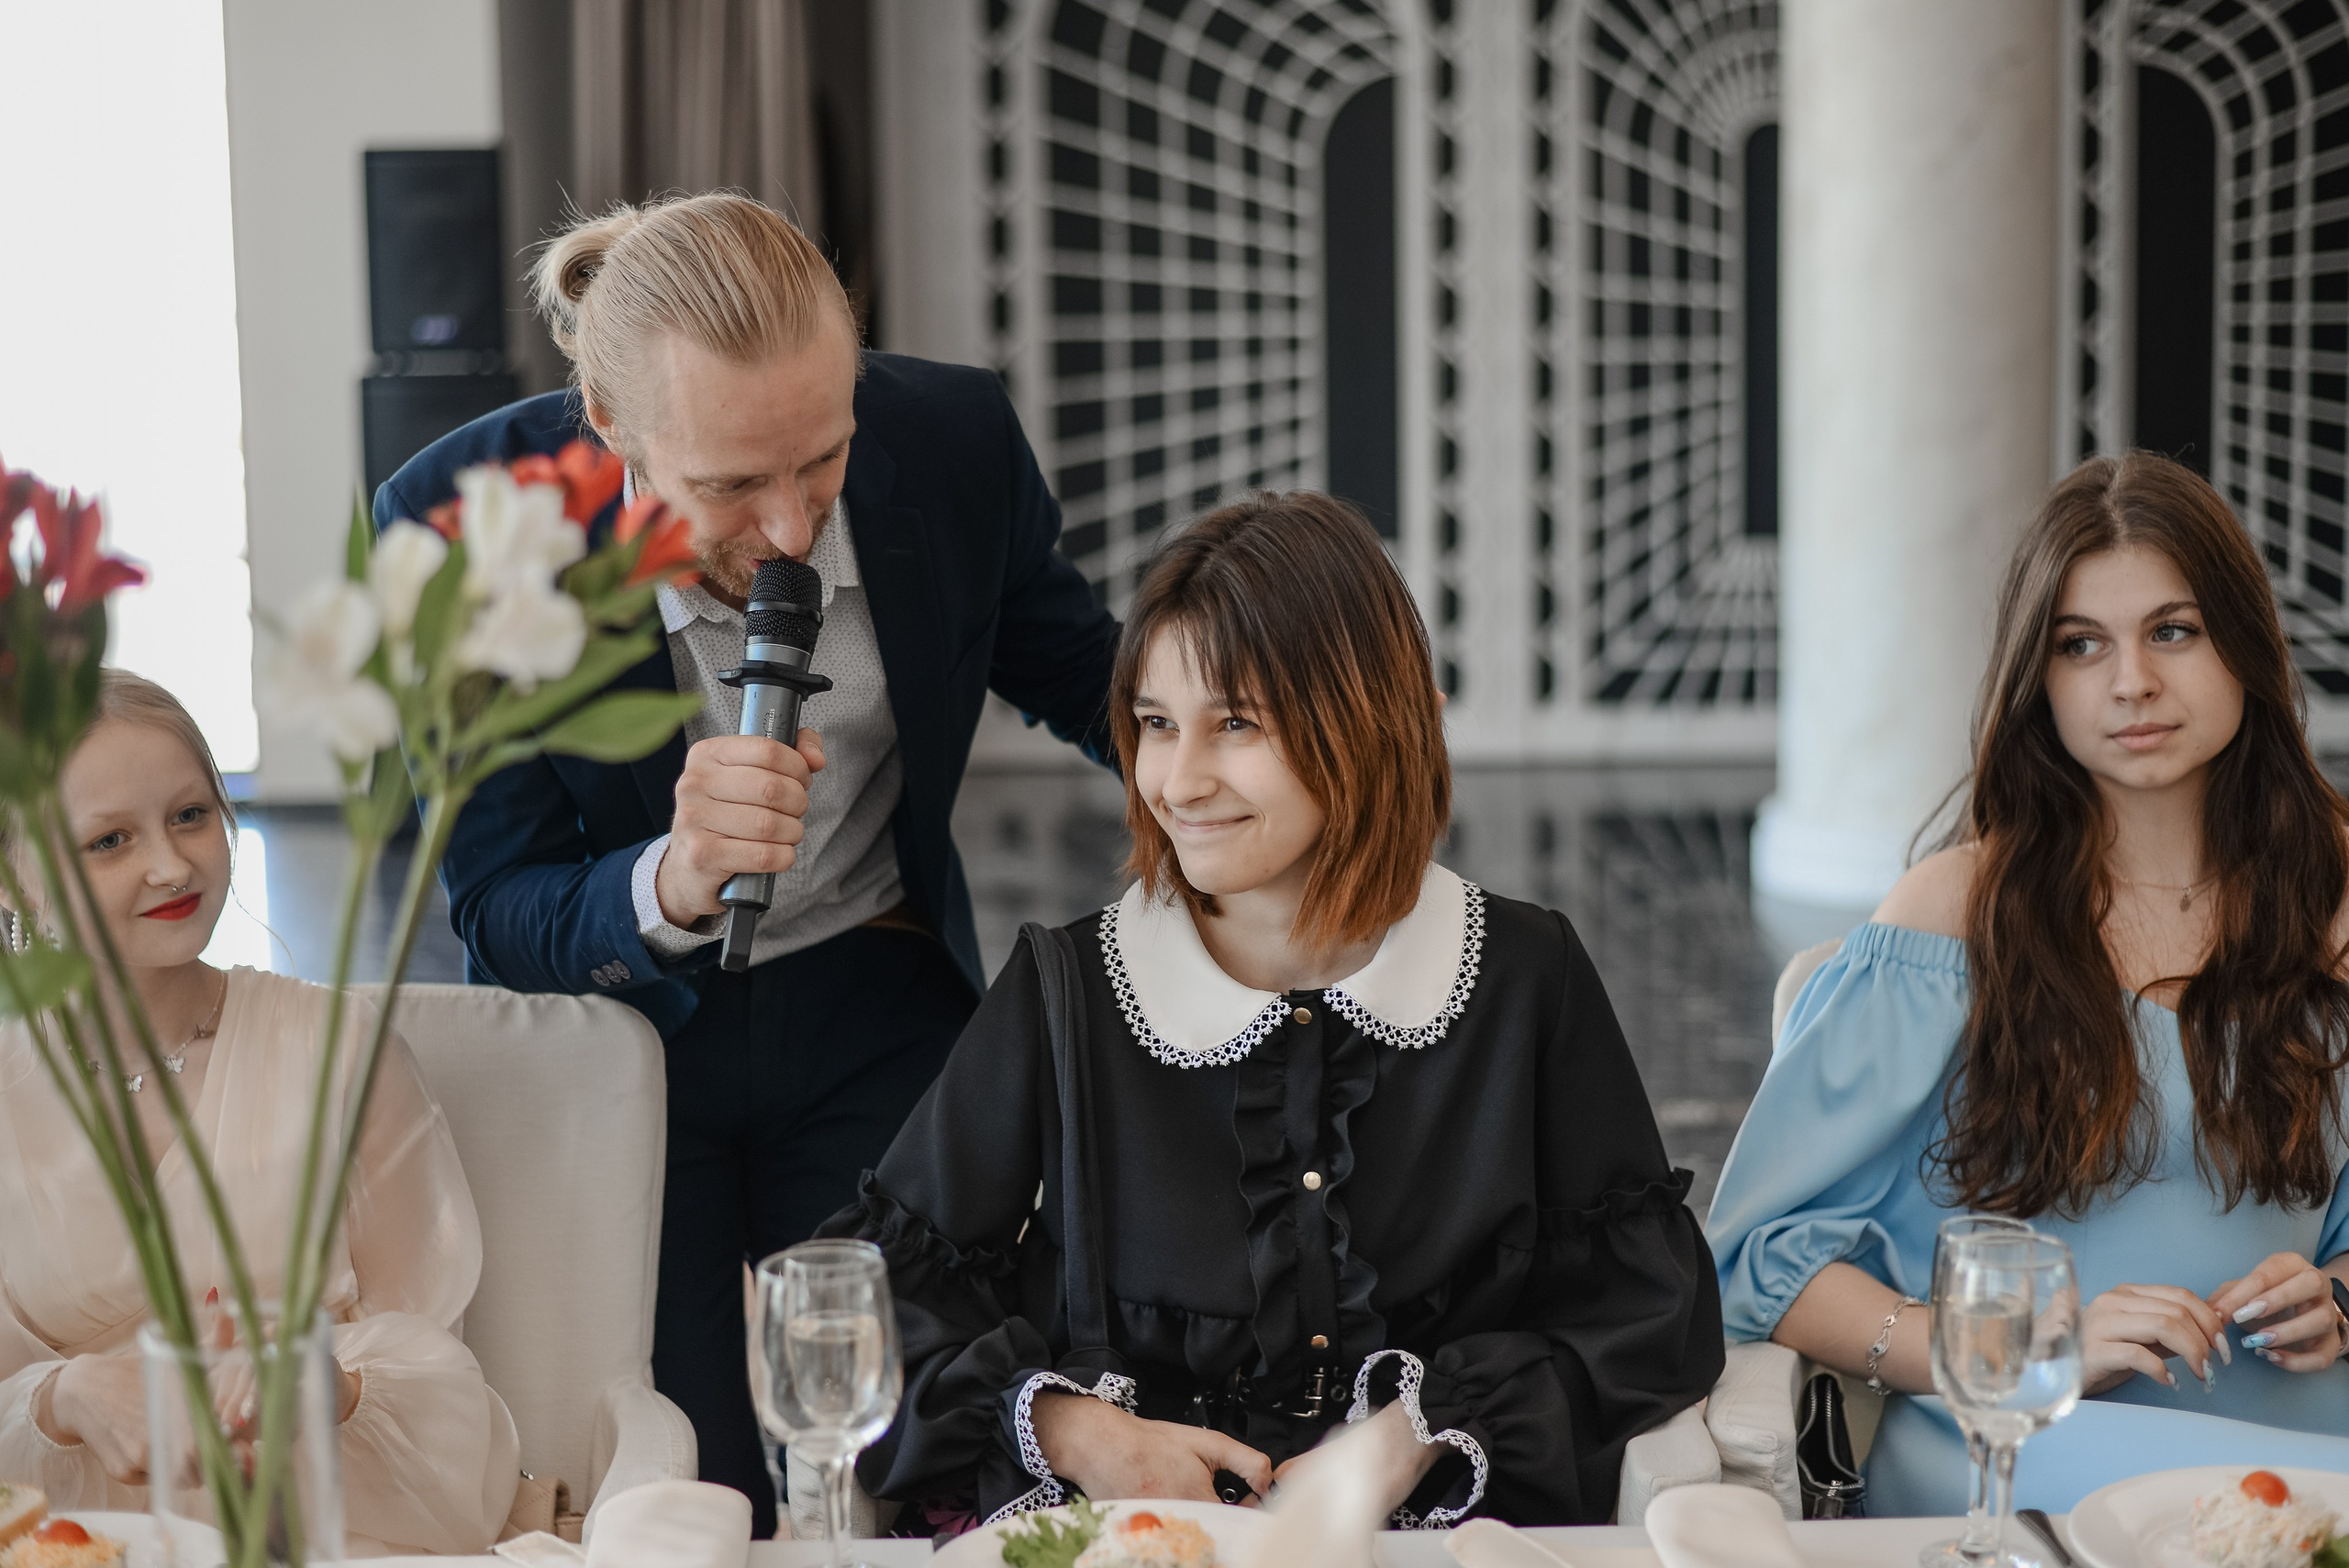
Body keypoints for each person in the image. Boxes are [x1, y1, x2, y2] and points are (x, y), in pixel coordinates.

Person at [376, 192, 1121, 1531]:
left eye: (823, 462)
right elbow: (497, 908)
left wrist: (1264, 757)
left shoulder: (951, 442)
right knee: (692, 1478)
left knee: (892, 1447)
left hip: (874, 991)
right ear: (608, 429)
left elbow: (1085, 674)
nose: (788, 530)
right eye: (729, 484)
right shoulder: (455, 528)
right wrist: (667, 875)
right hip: (618, 1029)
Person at [818, 492, 1722, 1529]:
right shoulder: (1068, 989)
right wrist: (1082, 1431)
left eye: (1236, 722)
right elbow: (867, 1307)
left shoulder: (1523, 974)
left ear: (1362, 716)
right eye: (1156, 724)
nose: (1179, 779)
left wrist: (1414, 1428)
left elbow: (1647, 1309)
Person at [1708, 451, 2349, 1514]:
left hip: (2306, 1446)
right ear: (2035, 678)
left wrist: (2336, 1299)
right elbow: (1757, 1259)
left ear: (2245, 645)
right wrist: (2021, 1350)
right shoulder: (1949, 915)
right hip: (2031, 1445)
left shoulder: (2329, 903)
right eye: (2079, 645)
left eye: (2172, 630)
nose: (2130, 680)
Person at [0, 673, 519, 1555]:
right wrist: (67, 1394)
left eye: (192, 815)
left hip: (326, 1526)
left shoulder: (339, 1050)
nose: (171, 865)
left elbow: (441, 1374)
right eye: (111, 839)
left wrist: (325, 1385)